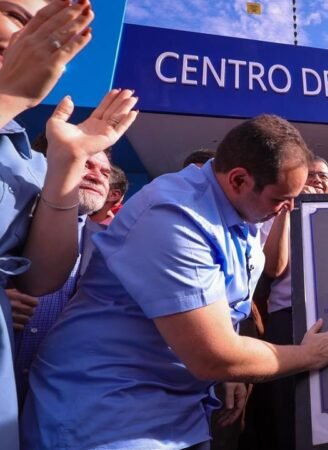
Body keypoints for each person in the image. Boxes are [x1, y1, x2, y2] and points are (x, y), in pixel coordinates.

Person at [21, 115, 328, 449]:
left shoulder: (241, 210)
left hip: (178, 413)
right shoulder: (174, 216)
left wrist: (234, 370)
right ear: (239, 180)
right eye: (280, 198)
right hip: (107, 415)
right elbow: (213, 356)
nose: (290, 206)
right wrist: (307, 354)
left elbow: (225, 315)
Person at [0, 2, 138, 448]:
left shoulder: (23, 159)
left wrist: (67, 163)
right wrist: (9, 95)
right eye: (19, 17)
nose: (32, 38)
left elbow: (42, 278)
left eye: (47, 26)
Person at [238, 155, 328, 450]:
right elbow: (274, 269)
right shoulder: (275, 215)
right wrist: (288, 212)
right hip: (288, 319)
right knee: (286, 407)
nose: (317, 181)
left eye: (323, 177)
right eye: (311, 175)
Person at [12, 149, 112, 403]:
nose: (97, 176)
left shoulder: (116, 247)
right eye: (86, 165)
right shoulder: (7, 223)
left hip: (57, 409)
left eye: (105, 172)